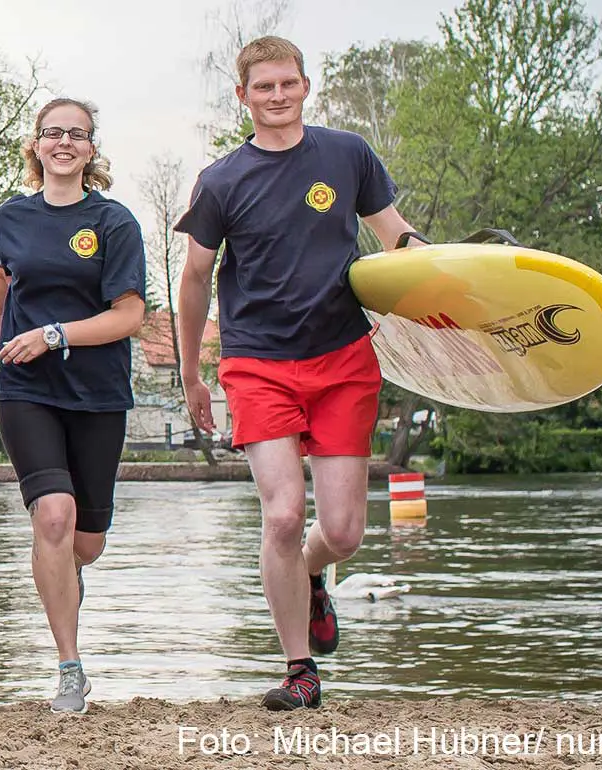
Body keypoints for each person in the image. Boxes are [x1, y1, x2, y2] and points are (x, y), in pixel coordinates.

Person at [173, 35, 427, 711]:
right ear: (242, 96)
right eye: (264, 87)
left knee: (341, 532)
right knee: (283, 513)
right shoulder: (220, 181)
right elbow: (195, 278)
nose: (277, 96)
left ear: (306, 87)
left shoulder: (347, 155)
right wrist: (193, 373)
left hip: (343, 357)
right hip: (257, 361)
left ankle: (314, 575)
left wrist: (440, 267)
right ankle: (299, 669)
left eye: (288, 84)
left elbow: (393, 234)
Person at [0, 97, 146, 714]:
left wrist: (56, 334)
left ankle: (66, 574)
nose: (64, 142)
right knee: (52, 516)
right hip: (26, 389)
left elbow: (130, 315)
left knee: (84, 542)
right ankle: (70, 667)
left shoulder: (115, 222)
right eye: (53, 133)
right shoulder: (11, 216)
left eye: (78, 134)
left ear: (92, 149)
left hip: (97, 395)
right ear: (36, 146)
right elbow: (1, 288)